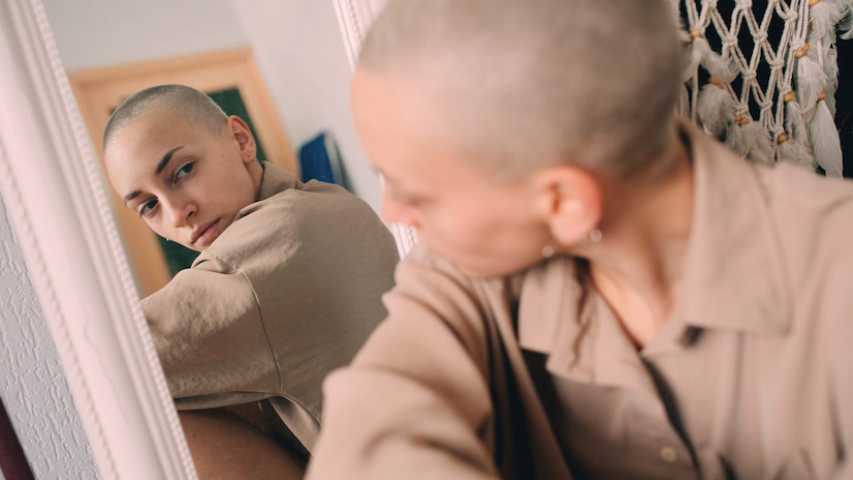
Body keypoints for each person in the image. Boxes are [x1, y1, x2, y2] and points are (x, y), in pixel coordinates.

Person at [306, 1, 853, 478]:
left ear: (564, 203)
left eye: (415, 193)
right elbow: (374, 424)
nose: (391, 212)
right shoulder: (461, 275)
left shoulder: (835, 272)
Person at [101, 84, 399, 477]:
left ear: (241, 139)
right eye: (149, 206)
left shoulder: (255, 259)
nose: (177, 214)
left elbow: (104, 359)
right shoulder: (333, 203)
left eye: (183, 171)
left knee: (137, 405)